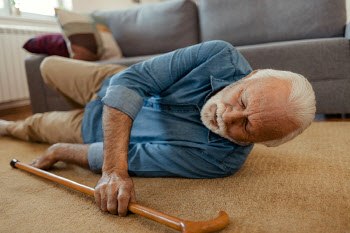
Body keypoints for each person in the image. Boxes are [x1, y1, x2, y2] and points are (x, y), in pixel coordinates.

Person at [0, 40, 316, 217]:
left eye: (246, 128)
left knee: (32, 127)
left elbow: (136, 157)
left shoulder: (221, 161)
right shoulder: (220, 55)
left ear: (260, 143)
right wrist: (113, 169)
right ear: (251, 75)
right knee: (47, 65)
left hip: (90, 130)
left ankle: (10, 126)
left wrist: (60, 151)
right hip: (109, 80)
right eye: (243, 100)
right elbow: (131, 81)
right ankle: (75, 106)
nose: (227, 116)